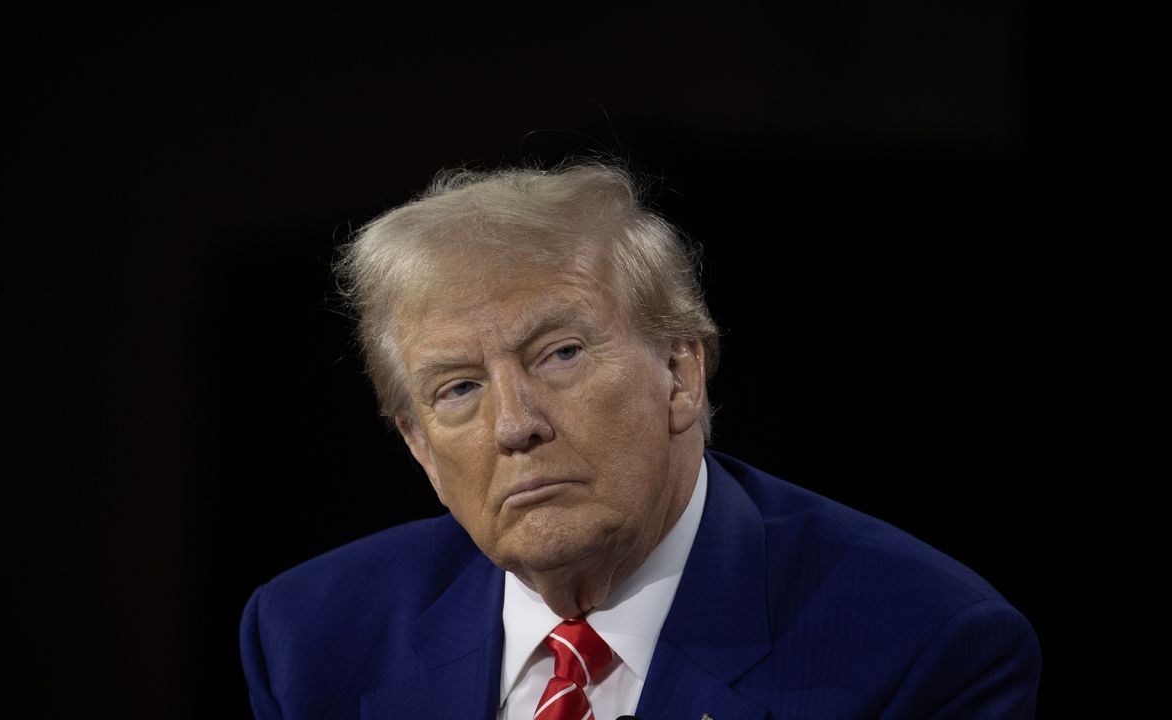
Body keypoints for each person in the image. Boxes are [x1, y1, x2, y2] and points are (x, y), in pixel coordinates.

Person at [239, 163, 1041, 719]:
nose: (516, 424)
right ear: (417, 444)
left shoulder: (921, 646)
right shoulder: (315, 637)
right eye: (459, 390)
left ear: (680, 372)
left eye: (559, 354)